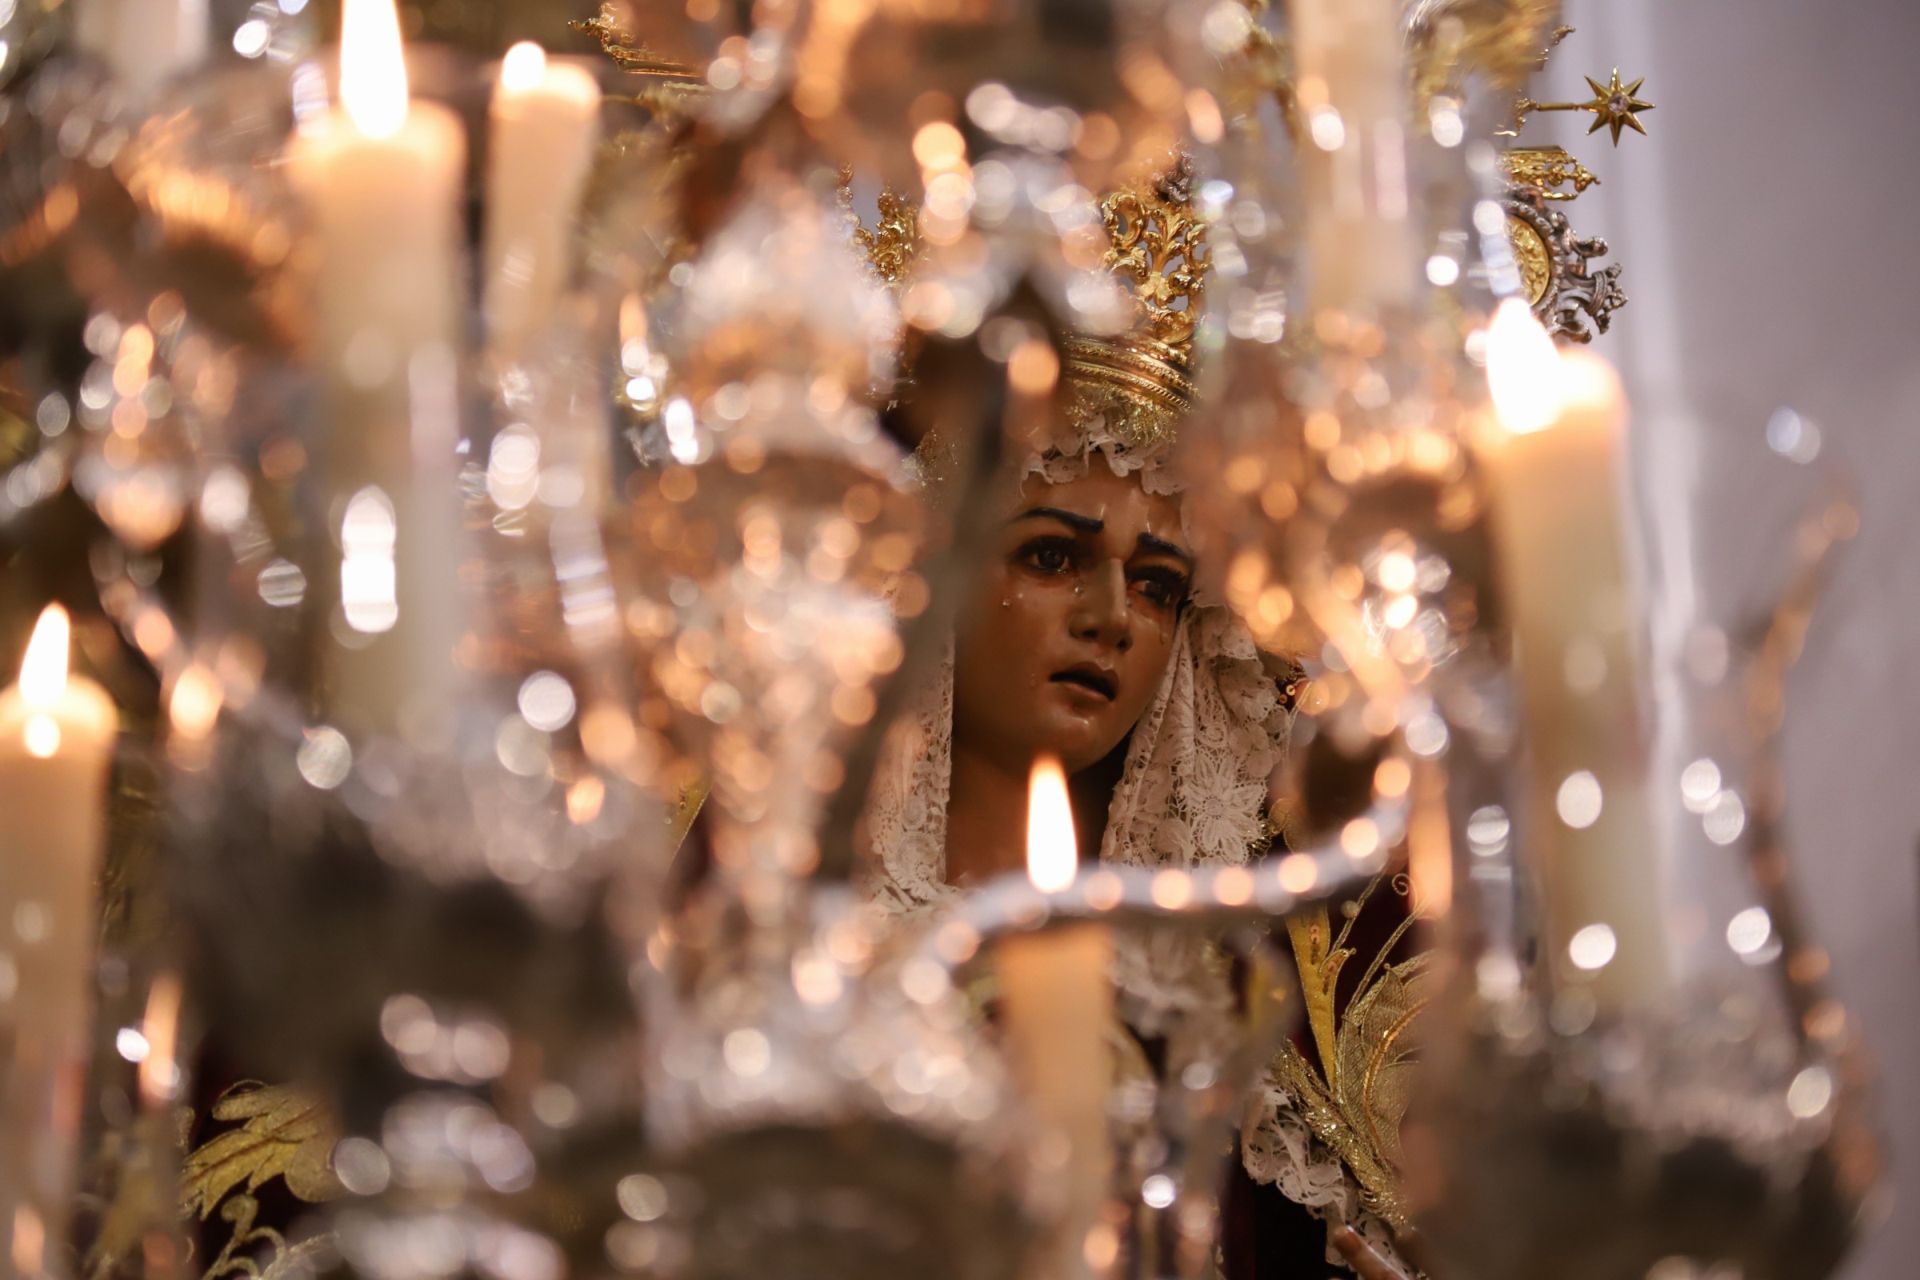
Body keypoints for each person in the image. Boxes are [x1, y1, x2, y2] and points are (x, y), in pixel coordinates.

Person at [857, 166, 1416, 1279]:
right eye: (1054, 557)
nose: (1115, 617)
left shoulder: (1259, 986)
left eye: (1159, 584)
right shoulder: (792, 921)